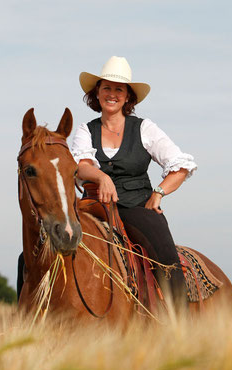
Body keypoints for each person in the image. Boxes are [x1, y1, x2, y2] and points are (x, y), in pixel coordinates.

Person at [71, 56, 197, 310]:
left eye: (119, 89)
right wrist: (101, 177)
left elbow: (180, 166)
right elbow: (81, 166)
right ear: (97, 92)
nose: (112, 94)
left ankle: (179, 321)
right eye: (107, 87)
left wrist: (159, 192)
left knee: (165, 256)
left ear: (128, 96)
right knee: (37, 250)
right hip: (92, 206)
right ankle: (29, 318)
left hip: (137, 206)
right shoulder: (87, 129)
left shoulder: (144, 128)